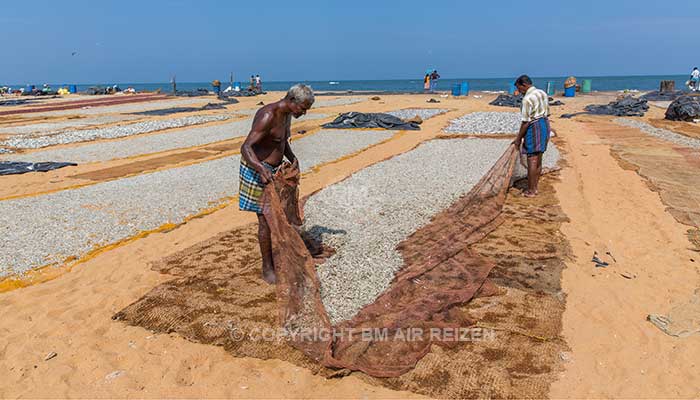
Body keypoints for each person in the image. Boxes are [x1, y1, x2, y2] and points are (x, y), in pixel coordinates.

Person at [239, 84, 315, 284]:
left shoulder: (287, 114)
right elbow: (246, 147)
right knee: (265, 220)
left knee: (280, 216)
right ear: (292, 101)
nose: (304, 113)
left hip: (273, 170)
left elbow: (280, 142)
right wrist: (261, 169)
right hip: (257, 170)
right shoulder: (268, 116)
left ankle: (282, 256)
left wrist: (291, 157)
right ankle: (267, 268)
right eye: (303, 108)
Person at [512, 75, 550, 198]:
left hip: (534, 126)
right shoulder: (542, 93)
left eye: (519, 88)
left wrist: (518, 139)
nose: (519, 91)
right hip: (544, 123)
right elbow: (547, 112)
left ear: (524, 85)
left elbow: (526, 122)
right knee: (539, 156)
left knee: (532, 158)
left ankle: (531, 190)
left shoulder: (527, 99)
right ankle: (535, 186)